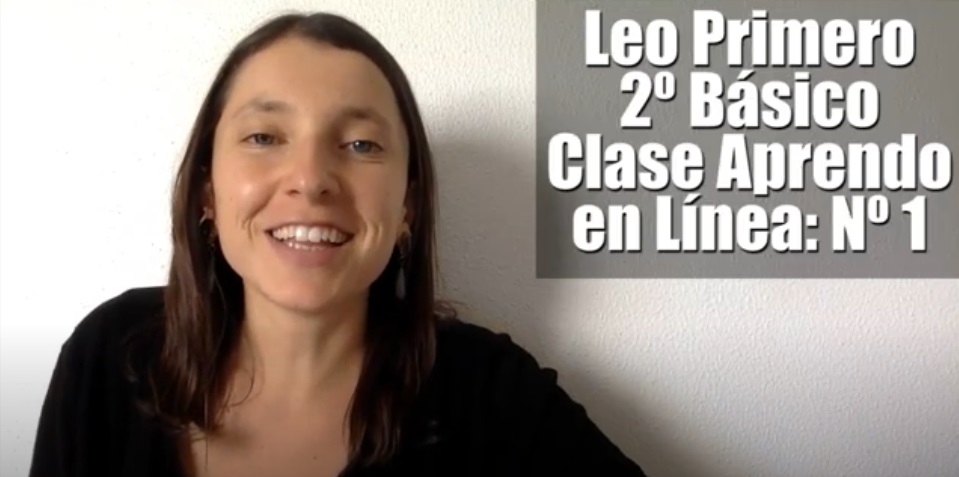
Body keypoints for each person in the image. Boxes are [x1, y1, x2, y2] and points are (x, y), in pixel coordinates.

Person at [29, 12, 647, 477]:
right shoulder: (110, 357)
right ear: (206, 191)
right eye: (265, 136)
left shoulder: (492, 397)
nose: (311, 179)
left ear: (407, 208)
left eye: (360, 145)